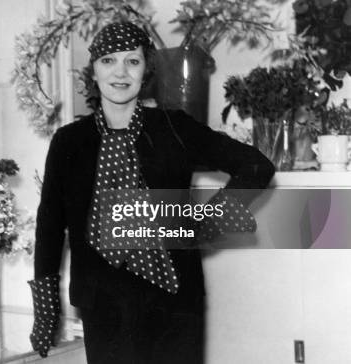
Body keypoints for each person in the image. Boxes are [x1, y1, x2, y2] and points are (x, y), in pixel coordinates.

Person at [28, 22, 275, 364]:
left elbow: (256, 167)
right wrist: (45, 310)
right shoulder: (69, 142)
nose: (120, 72)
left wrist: (208, 222)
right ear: (94, 71)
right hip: (104, 305)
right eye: (108, 61)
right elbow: (50, 227)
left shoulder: (175, 127)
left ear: (146, 71)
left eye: (132, 61)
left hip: (174, 304)